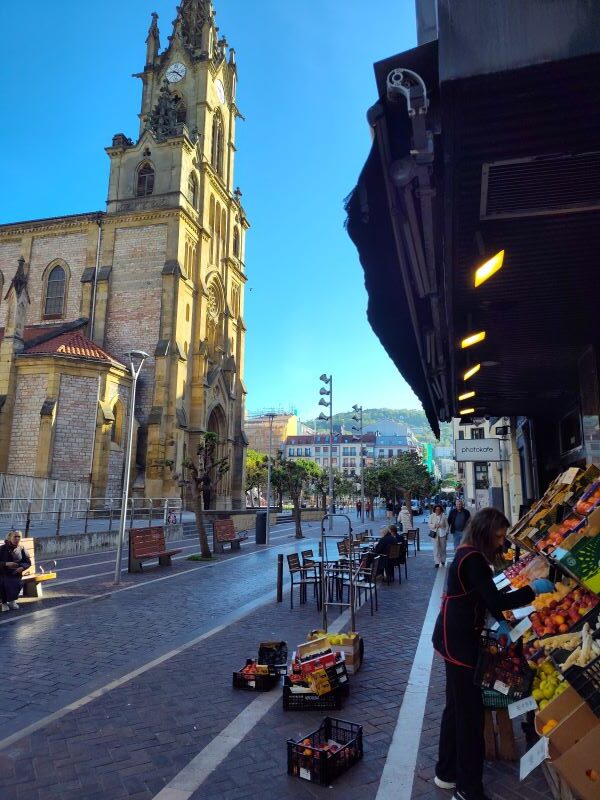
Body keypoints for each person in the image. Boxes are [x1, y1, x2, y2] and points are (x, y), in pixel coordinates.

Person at [432, 507, 554, 800]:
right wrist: (532, 590)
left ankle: (446, 773)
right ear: (486, 533)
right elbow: (494, 597)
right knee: (469, 717)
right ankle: (467, 789)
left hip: (450, 637)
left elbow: (485, 599)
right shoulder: (472, 559)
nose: (502, 543)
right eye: (499, 537)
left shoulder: (466, 552)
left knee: (455, 708)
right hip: (460, 642)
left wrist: (500, 620)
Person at [0, 530, 31, 611]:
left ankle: (12, 601)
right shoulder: (2, 548)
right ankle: (3, 603)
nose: (17, 538)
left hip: (15, 573)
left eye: (19, 537)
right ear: (10, 538)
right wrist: (6, 563)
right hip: (3, 572)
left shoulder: (22, 548)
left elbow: (27, 562)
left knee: (17, 582)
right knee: (3, 582)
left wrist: (22, 567)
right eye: (15, 536)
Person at [428, 503, 449, 567]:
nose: (437, 510)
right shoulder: (431, 516)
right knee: (436, 549)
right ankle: (437, 562)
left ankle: (443, 561)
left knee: (443, 548)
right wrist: (435, 525)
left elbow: (447, 526)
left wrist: (445, 530)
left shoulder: (444, 516)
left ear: (441, 510)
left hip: (442, 534)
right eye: (436, 509)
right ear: (434, 510)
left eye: (439, 509)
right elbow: (429, 524)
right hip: (435, 535)